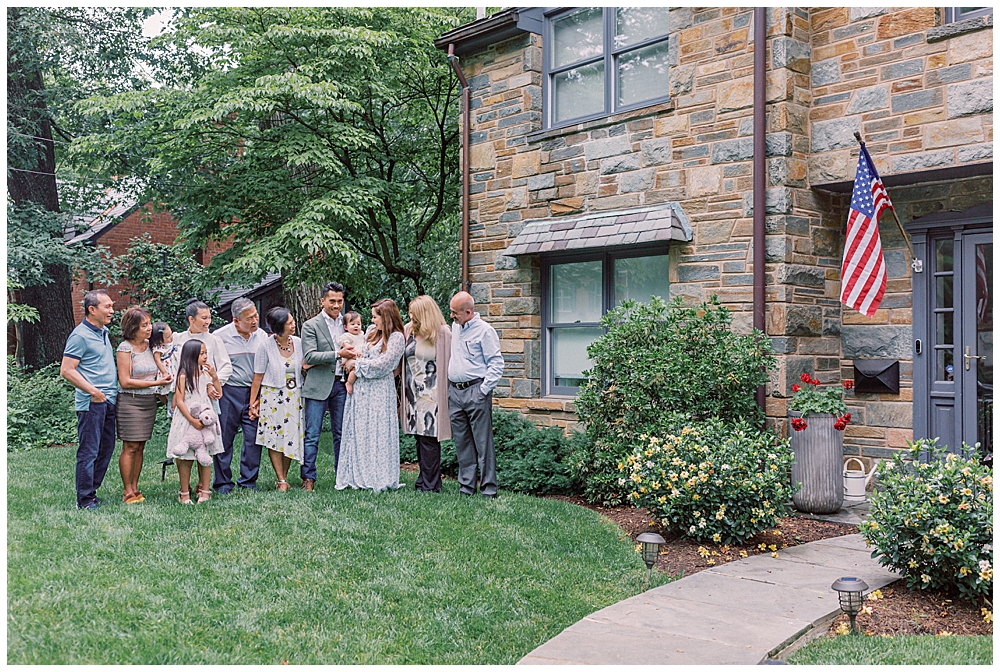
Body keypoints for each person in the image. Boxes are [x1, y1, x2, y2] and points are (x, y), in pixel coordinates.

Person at [336, 299, 406, 492]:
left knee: (378, 430)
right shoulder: (370, 332)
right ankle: (358, 474)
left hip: (380, 389)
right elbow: (364, 355)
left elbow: (385, 364)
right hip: (361, 387)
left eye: (376, 316)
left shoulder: (397, 338)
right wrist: (355, 366)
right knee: (360, 430)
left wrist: (356, 366)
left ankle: (378, 476)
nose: (373, 320)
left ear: (386, 317)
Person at [60, 289, 120, 509]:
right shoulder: (79, 336)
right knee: (89, 451)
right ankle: (84, 499)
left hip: (108, 400)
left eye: (112, 306)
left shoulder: (102, 331)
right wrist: (93, 391)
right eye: (107, 307)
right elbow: (67, 370)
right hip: (92, 403)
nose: (112, 311)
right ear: (92, 309)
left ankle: (91, 493)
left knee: (106, 449)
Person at [448, 291, 504, 498]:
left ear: (468, 311)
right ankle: (466, 488)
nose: (451, 315)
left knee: (483, 443)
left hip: (475, 391)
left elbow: (496, 363)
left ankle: (489, 490)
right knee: (462, 442)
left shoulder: (485, 331)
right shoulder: (455, 326)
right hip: (455, 392)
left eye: (455, 312)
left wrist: (482, 390)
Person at [174, 298, 233, 492]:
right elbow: (172, 366)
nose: (208, 322)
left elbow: (225, 366)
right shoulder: (179, 340)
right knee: (184, 440)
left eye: (209, 317)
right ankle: (185, 486)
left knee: (205, 439)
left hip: (206, 400)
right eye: (204, 318)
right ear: (191, 319)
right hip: (184, 397)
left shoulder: (214, 340)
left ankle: (203, 484)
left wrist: (211, 384)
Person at [116, 307, 171, 503]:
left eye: (149, 324)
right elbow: (125, 381)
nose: (149, 328)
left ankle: (136, 487)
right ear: (133, 328)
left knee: (140, 446)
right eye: (144, 325)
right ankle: (127, 491)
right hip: (130, 401)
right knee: (130, 446)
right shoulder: (125, 348)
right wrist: (156, 383)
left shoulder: (152, 345)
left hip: (149, 401)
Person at [248, 307, 307, 492]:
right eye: (289, 323)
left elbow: (305, 365)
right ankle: (280, 478)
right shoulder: (265, 346)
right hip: (272, 396)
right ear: (279, 328)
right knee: (274, 437)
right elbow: (257, 377)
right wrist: (253, 403)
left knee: (291, 437)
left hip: (294, 396)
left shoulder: (298, 342)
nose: (293, 324)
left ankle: (285, 476)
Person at [300, 281, 352, 490]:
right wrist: (338, 354)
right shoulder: (311, 325)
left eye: (340, 301)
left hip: (341, 384)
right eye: (332, 301)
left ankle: (342, 476)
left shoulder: (347, 323)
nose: (337, 305)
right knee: (313, 434)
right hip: (318, 384)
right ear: (323, 301)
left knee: (341, 433)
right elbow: (310, 355)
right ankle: (308, 478)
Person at [213, 298, 267, 491]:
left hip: (254, 394)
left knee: (253, 439)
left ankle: (248, 482)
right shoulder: (219, 337)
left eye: (255, 315)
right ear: (236, 321)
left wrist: (259, 398)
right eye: (249, 318)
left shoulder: (262, 336)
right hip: (228, 392)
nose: (254, 321)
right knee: (224, 438)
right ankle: (222, 483)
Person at [400, 295, 452, 493]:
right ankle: (423, 480)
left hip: (433, 394)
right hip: (412, 394)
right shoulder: (408, 330)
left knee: (429, 438)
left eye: (414, 312)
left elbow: (450, 363)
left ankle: (431, 485)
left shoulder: (442, 333)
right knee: (419, 438)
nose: (410, 315)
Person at [166, 340, 223, 504]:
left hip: (205, 417)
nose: (205, 357)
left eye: (206, 353)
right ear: (191, 355)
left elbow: (218, 393)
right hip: (186, 418)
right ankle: (184, 492)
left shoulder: (206, 373)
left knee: (206, 454)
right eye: (202, 354)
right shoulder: (183, 375)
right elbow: (179, 399)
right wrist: (192, 419)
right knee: (185, 457)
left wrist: (214, 377)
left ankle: (205, 491)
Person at [149, 322, 178, 415]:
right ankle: (172, 408)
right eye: (168, 337)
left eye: (171, 334)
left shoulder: (169, 343)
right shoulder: (158, 348)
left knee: (176, 388)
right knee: (172, 389)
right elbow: (157, 360)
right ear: (160, 340)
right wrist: (164, 372)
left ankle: (173, 407)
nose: (171, 338)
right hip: (167, 370)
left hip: (174, 368)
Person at [337, 311, 366, 395]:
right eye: (352, 324)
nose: (356, 326)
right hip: (351, 356)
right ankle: (349, 383)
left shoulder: (362, 334)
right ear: (346, 327)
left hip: (360, 356)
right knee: (355, 369)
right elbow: (347, 347)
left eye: (358, 324)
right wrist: (356, 353)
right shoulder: (347, 336)